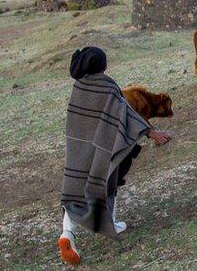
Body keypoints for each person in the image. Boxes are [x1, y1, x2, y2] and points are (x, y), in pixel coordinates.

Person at [57, 46, 172, 266]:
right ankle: (109, 220)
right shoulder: (106, 86)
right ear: (100, 66)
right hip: (104, 146)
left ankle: (67, 234)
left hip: (79, 148)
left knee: (76, 188)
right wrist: (150, 132)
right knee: (110, 179)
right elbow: (126, 112)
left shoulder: (79, 86)